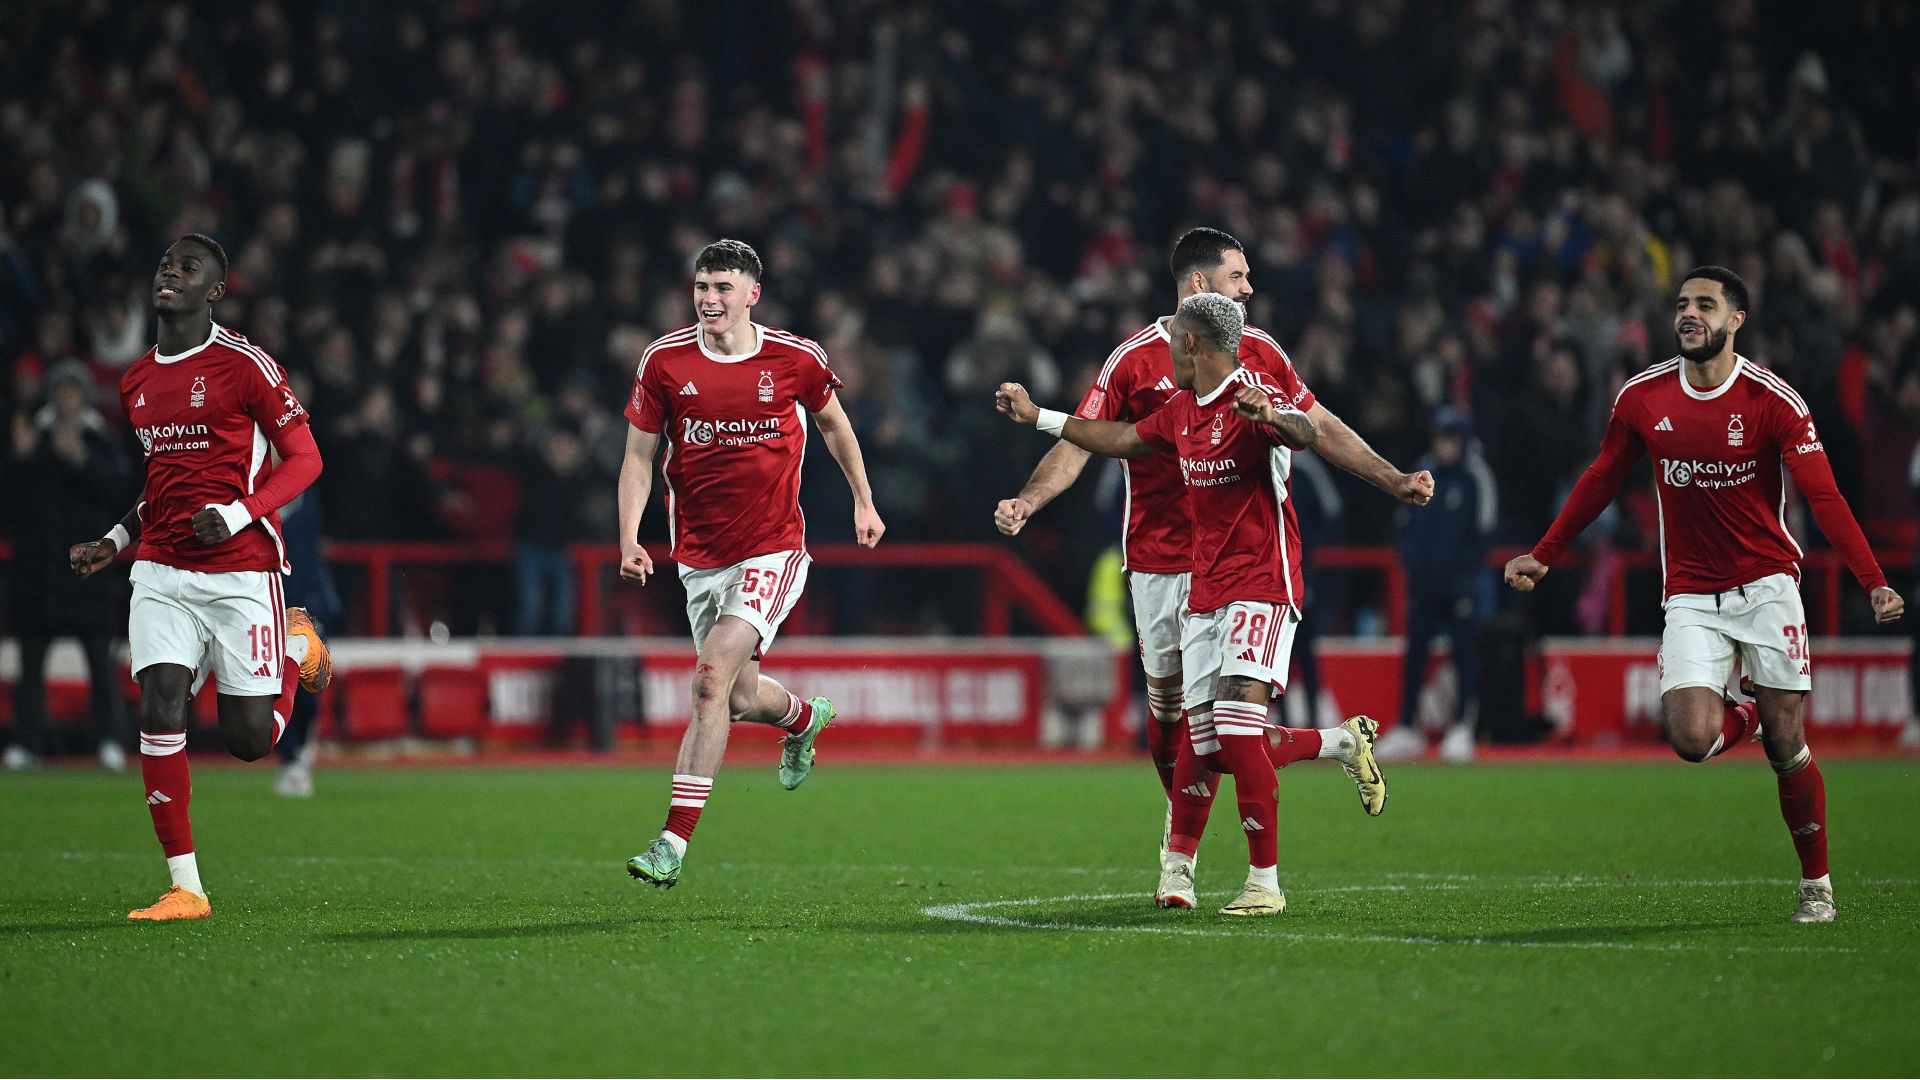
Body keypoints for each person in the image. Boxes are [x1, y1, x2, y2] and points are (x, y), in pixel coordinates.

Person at [994, 227, 1433, 880]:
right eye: (1238, 276)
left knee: (1227, 722)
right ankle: (1331, 746)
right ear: (1198, 284)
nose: (1250, 288)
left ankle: (1188, 860)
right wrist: (1030, 498)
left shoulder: (1259, 353)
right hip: (1160, 563)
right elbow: (1094, 439)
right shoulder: (1137, 360)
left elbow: (1319, 426)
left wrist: (1392, 477)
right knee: (1177, 719)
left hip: (1246, 562)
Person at [1504, 266, 1905, 924]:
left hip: (1769, 587)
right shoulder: (1643, 398)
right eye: (1683, 304)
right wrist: (1545, 554)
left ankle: (1816, 883)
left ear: (1735, 321)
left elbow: (1824, 496)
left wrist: (1874, 581)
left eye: (1705, 305)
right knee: (1692, 738)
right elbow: (1602, 477)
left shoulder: (1774, 401)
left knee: (1787, 744)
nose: (1689, 314)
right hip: (1690, 594)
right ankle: (1737, 720)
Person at [69, 234, 334, 921]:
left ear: (213, 290)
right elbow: (161, 485)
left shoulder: (244, 365)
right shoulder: (135, 381)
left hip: (241, 571)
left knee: (248, 742)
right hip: (160, 568)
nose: (170, 274)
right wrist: (117, 537)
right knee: (160, 705)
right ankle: (187, 887)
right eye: (165, 264)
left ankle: (297, 645)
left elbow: (305, 460)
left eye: (188, 269)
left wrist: (243, 514)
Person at [617, 239, 885, 888]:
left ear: (751, 295)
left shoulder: (795, 358)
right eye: (702, 287)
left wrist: (863, 500)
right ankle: (801, 717)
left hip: (772, 547)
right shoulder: (663, 361)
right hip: (699, 558)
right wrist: (629, 536)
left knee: (709, 680)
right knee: (735, 697)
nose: (710, 299)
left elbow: (836, 427)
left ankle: (671, 845)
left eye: (723, 289)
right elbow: (637, 458)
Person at [5, 359, 135, 771]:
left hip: (87, 576)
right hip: (38, 576)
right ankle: (26, 744)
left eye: (72, 391)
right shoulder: (31, 439)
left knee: (101, 666)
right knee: (30, 670)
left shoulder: (101, 441)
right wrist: (18, 459)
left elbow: (122, 493)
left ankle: (111, 742)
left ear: (83, 397)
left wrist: (80, 460)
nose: (65, 399)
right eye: (59, 390)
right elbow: (9, 502)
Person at [1376, 407, 1498, 763]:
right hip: (1424, 585)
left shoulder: (1475, 476)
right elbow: (1405, 523)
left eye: (1450, 438)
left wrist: (1464, 575)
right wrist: (1413, 566)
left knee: (1465, 655)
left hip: (1461, 587)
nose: (1444, 446)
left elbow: (1484, 530)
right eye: (1440, 438)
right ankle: (1408, 726)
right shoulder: (1422, 471)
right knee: (1415, 656)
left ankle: (1463, 726)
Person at [271, 486, 341, 798]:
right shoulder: (252, 488)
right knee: (271, 684)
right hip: (267, 601)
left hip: (307, 604)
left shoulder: (307, 491)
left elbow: (315, 546)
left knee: (308, 684)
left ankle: (301, 752)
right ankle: (291, 757)